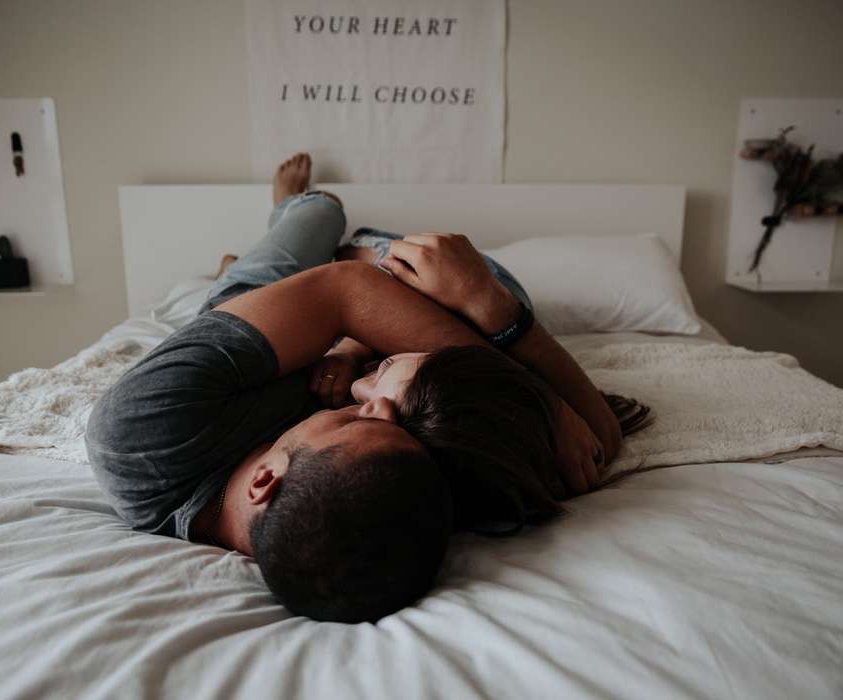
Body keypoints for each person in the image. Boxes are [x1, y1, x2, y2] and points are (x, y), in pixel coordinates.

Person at [85, 153, 625, 623]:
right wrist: (531, 377)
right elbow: (594, 439)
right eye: (394, 425)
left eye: (354, 419)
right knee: (485, 290)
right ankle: (316, 238)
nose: (378, 404)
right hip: (348, 305)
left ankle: (277, 228)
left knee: (320, 215)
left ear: (265, 480)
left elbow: (346, 290)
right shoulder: (404, 495)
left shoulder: (138, 435)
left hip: (256, 308)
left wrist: (352, 330)